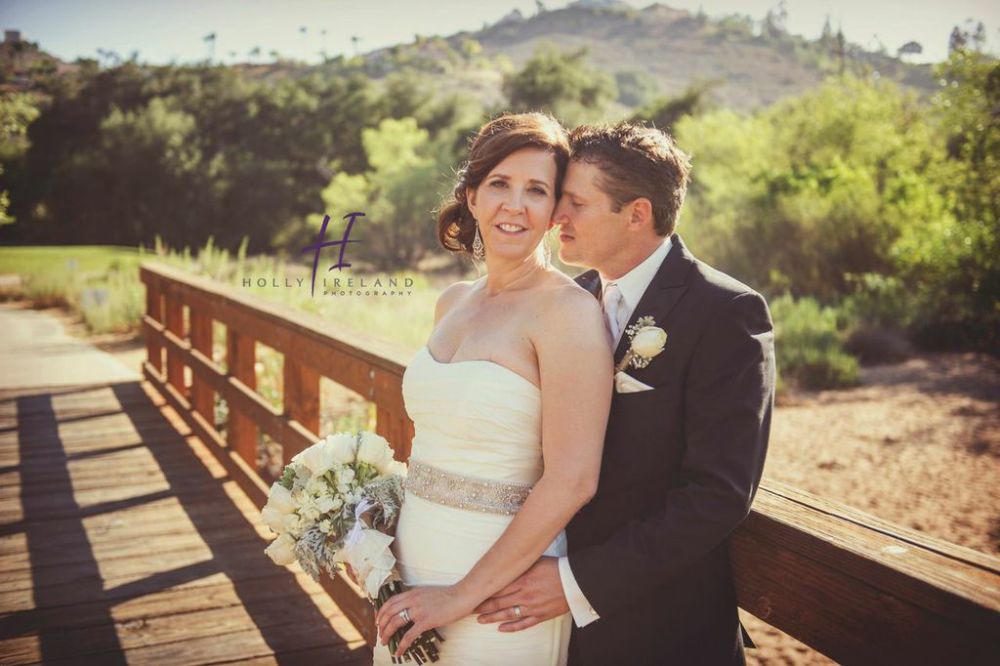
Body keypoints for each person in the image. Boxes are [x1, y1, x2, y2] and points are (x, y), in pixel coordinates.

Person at [474, 122, 776, 665]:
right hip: (557, 629)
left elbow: (718, 494)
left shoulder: (725, 312)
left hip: (662, 630)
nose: (555, 217)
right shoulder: (574, 298)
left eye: (576, 203)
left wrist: (575, 582)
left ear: (636, 214)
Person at [371, 113, 613, 665]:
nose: (515, 205)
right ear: (472, 195)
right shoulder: (451, 301)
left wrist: (461, 595)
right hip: (410, 560)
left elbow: (574, 478)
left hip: (500, 588)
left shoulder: (569, 313)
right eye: (500, 184)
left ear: (554, 212)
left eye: (537, 191)